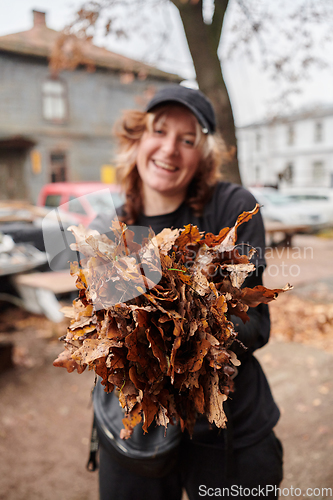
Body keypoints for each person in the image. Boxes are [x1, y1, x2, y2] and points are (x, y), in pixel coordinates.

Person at [90, 85, 283, 500]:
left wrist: (178, 318)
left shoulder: (231, 208)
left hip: (227, 430)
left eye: (188, 139)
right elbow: (98, 333)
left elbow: (258, 325)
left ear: (204, 155)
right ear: (137, 140)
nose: (170, 149)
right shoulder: (109, 225)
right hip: (137, 430)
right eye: (159, 131)